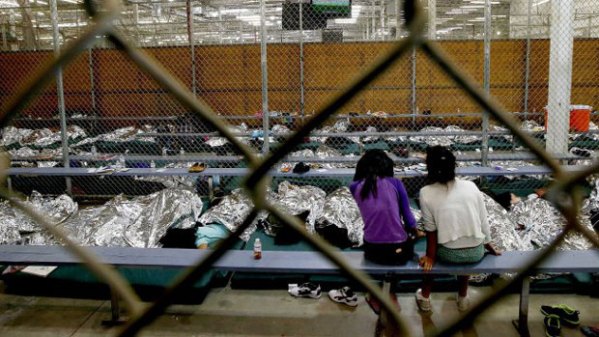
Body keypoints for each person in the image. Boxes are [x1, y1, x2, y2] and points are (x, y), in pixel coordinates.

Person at [328, 149, 417, 309]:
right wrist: (415, 232)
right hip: (399, 252)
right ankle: (390, 292)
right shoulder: (396, 183)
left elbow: (374, 205)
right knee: (407, 242)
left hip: (373, 250)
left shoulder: (354, 187)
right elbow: (409, 219)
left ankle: (376, 294)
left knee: (377, 242)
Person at [415, 145, 501, 312]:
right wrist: (488, 244)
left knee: (430, 260)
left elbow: (431, 231)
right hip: (476, 252)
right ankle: (463, 297)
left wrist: (430, 257)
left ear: (430, 168)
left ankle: (425, 297)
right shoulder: (470, 186)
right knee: (464, 238)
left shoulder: (425, 192)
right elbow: (483, 220)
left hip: (449, 254)